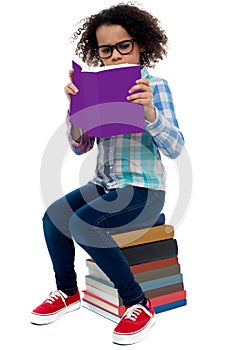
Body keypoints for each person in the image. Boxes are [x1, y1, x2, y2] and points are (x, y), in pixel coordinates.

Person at [31, 3, 184, 345]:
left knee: (83, 224)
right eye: (105, 50)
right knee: (53, 217)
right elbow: (80, 148)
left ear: (141, 43)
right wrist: (75, 114)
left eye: (123, 46)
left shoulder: (155, 86)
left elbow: (175, 147)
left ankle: (138, 303)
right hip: (104, 186)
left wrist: (149, 113)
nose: (114, 56)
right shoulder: (96, 87)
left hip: (143, 190)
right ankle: (67, 292)